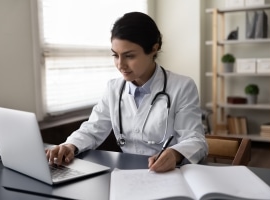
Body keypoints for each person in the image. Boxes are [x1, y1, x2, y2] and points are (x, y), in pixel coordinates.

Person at [46, 11, 208, 172]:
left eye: (129, 56)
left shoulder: (182, 86)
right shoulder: (114, 88)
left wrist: (174, 154)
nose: (120, 64)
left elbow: (195, 140)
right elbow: (93, 129)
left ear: (154, 49)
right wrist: (70, 145)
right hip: (127, 174)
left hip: (169, 173)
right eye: (115, 55)